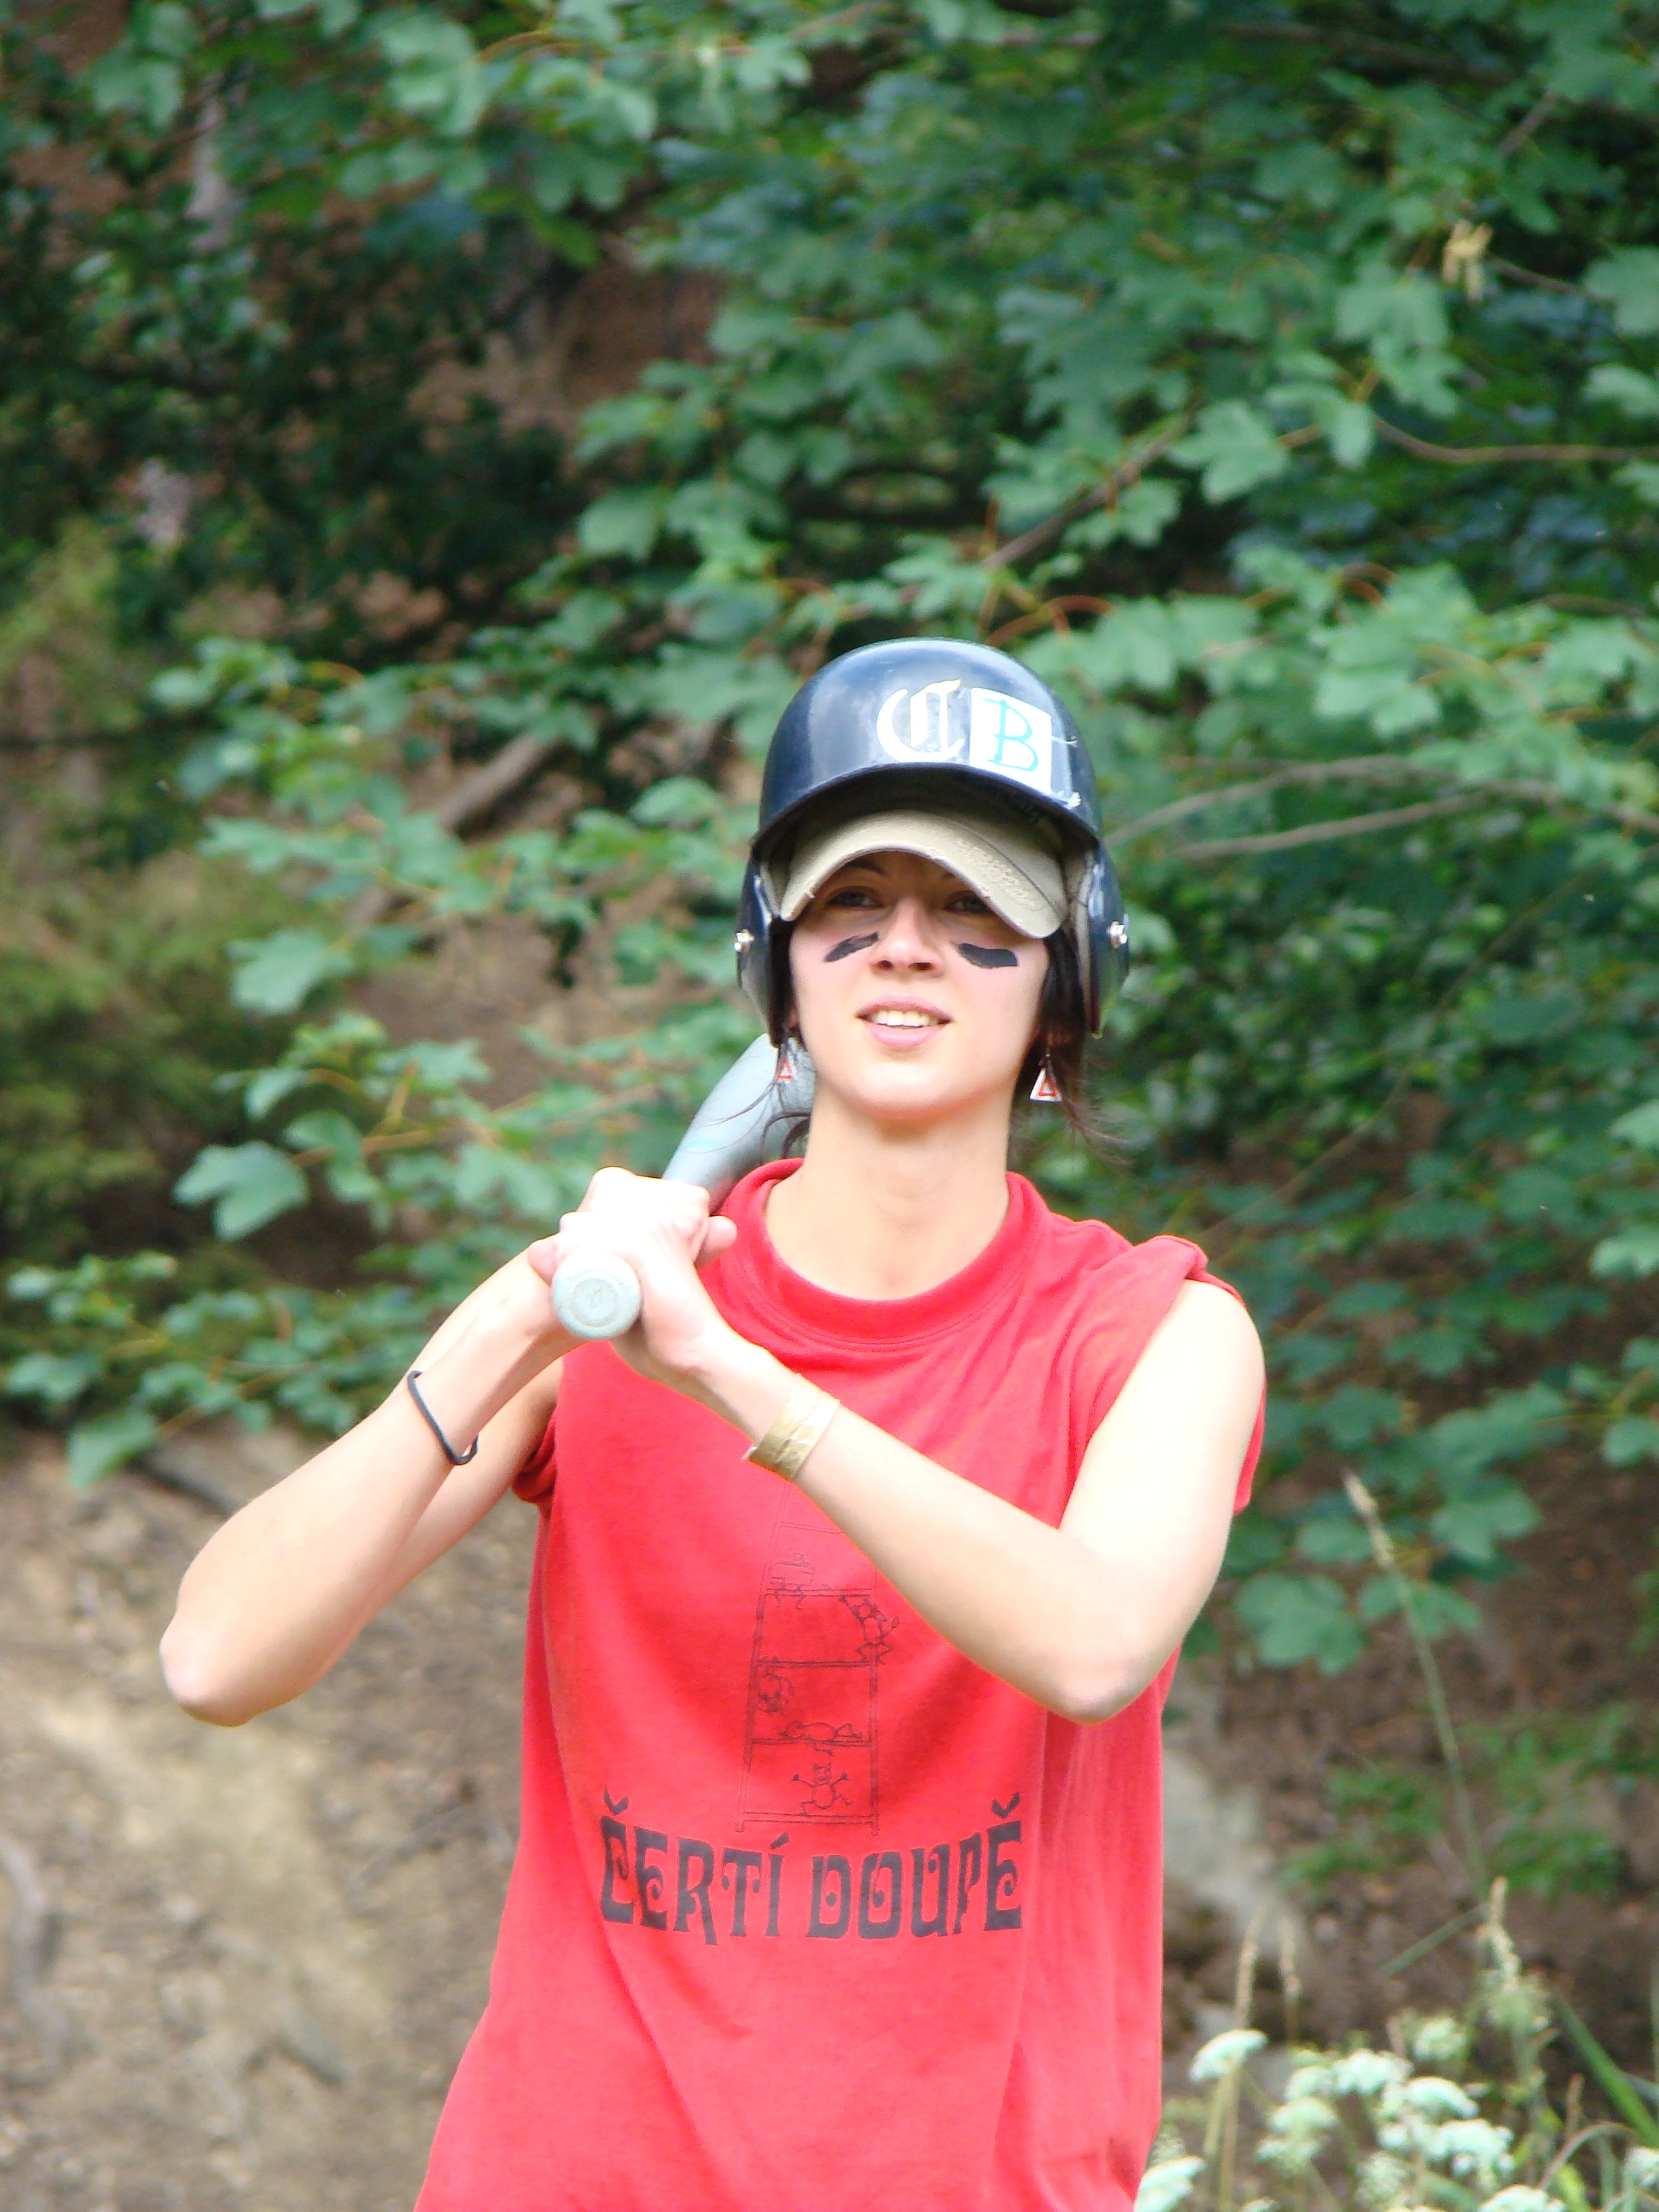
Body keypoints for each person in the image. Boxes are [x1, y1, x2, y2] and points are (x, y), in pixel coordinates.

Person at [160, 638, 1265, 2212]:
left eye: (973, 910)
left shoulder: (1153, 1330)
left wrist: (737, 1377)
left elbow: (1093, 1646)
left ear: (1069, 976)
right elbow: (216, 1661)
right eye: (849, 904)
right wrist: (516, 1315)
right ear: (776, 962)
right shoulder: (602, 1327)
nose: (905, 949)